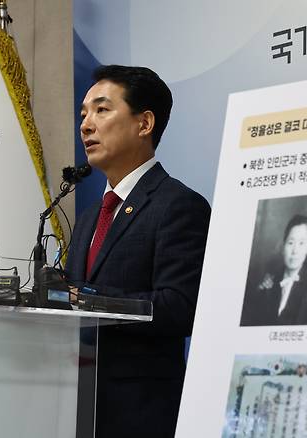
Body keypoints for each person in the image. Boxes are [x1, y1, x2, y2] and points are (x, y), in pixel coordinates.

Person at [65, 65, 211, 438]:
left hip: (142, 415)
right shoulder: (87, 219)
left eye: (101, 110)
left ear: (144, 123)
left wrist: (93, 300)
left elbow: (180, 308)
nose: (85, 125)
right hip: (76, 411)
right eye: (83, 114)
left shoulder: (178, 206)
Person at [240, 214, 307, 326]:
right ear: (283, 246)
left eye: (301, 243)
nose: (295, 250)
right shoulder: (270, 281)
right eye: (290, 243)